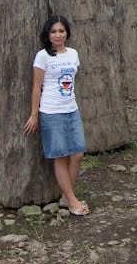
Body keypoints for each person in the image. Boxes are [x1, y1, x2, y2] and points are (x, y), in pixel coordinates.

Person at [23, 15, 89, 216]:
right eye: (53, 31)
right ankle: (71, 200)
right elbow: (37, 86)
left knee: (78, 153)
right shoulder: (43, 56)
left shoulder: (73, 54)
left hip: (71, 109)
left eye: (61, 31)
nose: (58, 35)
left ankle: (66, 196)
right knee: (60, 157)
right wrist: (34, 115)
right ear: (47, 34)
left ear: (67, 32)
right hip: (51, 111)